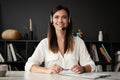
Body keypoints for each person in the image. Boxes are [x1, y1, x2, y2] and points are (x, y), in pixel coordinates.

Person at [25, 5, 96, 74]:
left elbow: (92, 65)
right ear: (51, 20)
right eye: (56, 17)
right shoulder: (45, 43)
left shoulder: (78, 42)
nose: (60, 20)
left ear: (69, 20)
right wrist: (47, 70)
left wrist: (83, 68)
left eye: (64, 17)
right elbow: (28, 65)